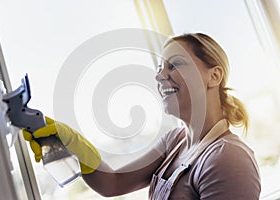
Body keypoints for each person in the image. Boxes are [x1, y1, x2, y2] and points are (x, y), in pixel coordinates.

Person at [23, 33, 261, 199]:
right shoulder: (174, 142)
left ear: (214, 76)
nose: (160, 76)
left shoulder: (228, 158)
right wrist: (72, 141)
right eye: (159, 69)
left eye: (174, 65)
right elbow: (112, 182)